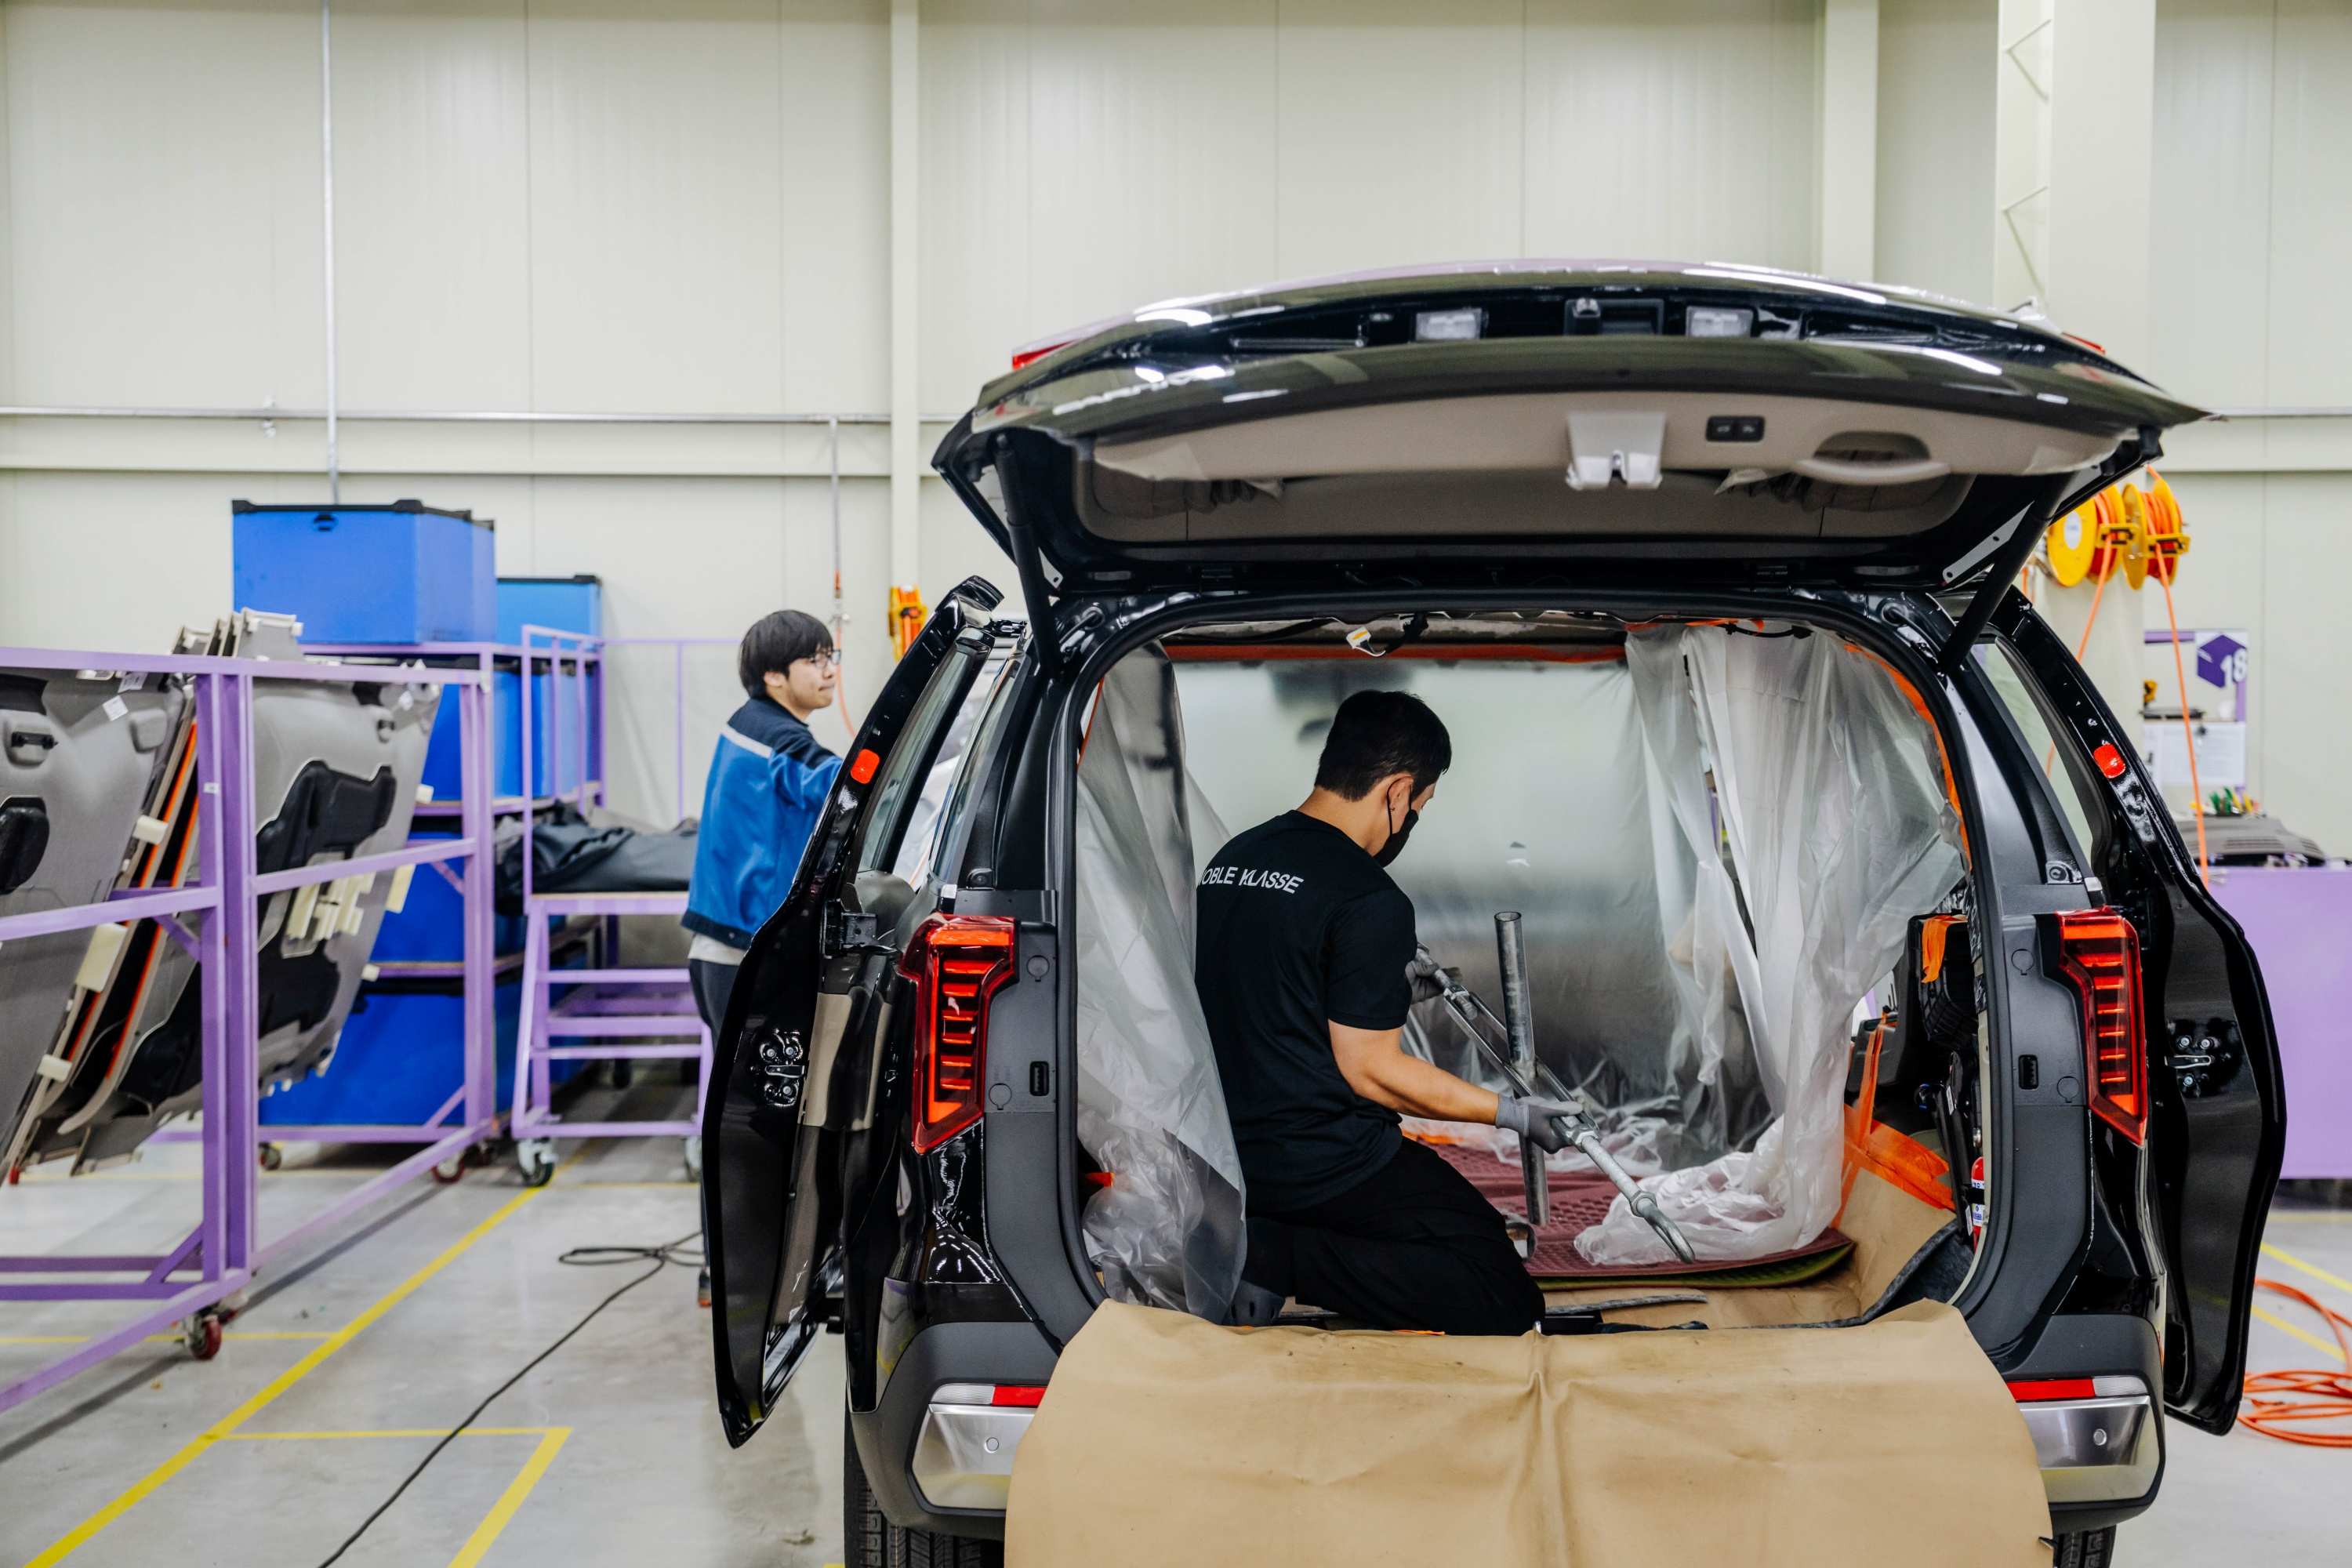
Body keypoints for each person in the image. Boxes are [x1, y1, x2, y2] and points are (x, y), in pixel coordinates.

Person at [1194, 689, 1576, 1335]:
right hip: (1325, 1160)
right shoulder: (1368, 896)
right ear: (1398, 791)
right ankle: (1277, 1253)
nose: (1413, 819)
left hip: (1229, 1155)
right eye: (1420, 805)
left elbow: (1268, 987)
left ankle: (1274, 1238)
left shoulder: (1234, 860)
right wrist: (1513, 1113)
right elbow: (1373, 1072)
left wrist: (1385, 989)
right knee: (1501, 1291)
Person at [684, 609, 844, 1042]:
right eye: (815, 660)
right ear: (774, 675)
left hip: (726, 947)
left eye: (831, 657)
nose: (831, 671)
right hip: (742, 953)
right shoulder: (775, 739)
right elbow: (844, 788)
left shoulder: (752, 724)